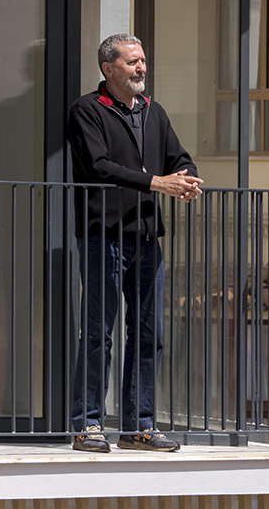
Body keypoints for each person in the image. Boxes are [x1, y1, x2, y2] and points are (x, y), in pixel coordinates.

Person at [66, 33, 203, 454]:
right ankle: (88, 425)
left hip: (145, 238)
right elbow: (99, 166)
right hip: (102, 234)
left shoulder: (153, 112)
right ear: (108, 69)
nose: (141, 68)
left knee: (149, 334)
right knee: (98, 333)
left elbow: (178, 157)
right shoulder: (87, 111)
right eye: (132, 62)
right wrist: (155, 181)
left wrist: (185, 178)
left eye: (143, 60)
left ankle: (138, 426)